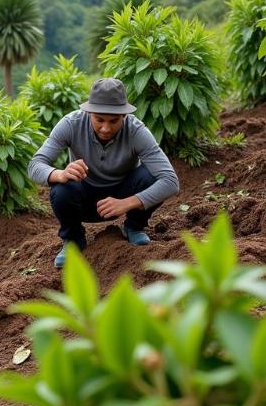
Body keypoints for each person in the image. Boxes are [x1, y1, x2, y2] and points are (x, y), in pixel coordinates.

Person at [28, 77, 180, 268]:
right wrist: (59, 174)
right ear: (89, 112)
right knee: (61, 187)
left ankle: (133, 226)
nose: (106, 128)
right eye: (99, 119)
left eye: (114, 121)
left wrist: (128, 203)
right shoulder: (71, 123)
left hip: (123, 195)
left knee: (151, 175)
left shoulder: (136, 130)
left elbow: (171, 181)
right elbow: (35, 165)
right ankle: (73, 238)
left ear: (124, 116)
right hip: (82, 198)